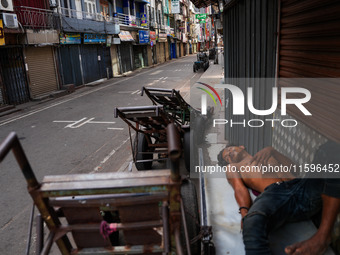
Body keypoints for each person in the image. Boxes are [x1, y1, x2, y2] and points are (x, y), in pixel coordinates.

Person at [217, 141, 340, 255]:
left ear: (242, 147)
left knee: (330, 148)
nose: (229, 154)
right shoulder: (234, 167)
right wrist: (245, 213)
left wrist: (273, 151)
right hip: (275, 193)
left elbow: (294, 169)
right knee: (252, 222)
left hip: (301, 187)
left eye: (229, 149)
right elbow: (239, 188)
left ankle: (323, 237)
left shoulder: (266, 154)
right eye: (227, 157)